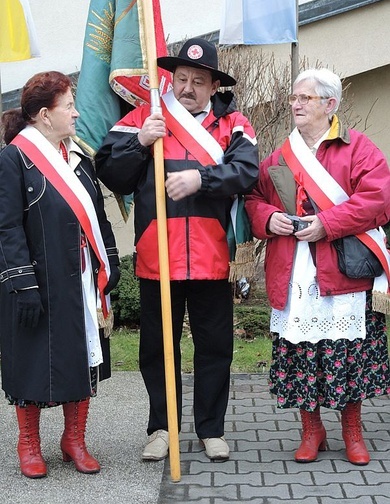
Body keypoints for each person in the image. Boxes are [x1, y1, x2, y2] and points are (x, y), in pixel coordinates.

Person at [95, 37, 259, 461]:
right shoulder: (144, 117)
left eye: (198, 81)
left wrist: (201, 180)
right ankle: (161, 428)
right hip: (158, 257)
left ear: (213, 86)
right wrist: (139, 143)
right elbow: (110, 173)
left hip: (211, 257)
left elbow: (246, 172)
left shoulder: (234, 123)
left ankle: (210, 429)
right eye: (181, 78)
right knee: (157, 349)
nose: (187, 87)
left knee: (215, 347)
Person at [245, 68, 390, 465]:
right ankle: (312, 431)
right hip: (294, 273)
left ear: (330, 105)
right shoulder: (280, 156)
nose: (295, 104)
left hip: (343, 271)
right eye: (294, 97)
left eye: (305, 98)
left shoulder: (359, 149)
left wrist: (327, 224)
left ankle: (353, 433)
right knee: (299, 355)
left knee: (347, 355)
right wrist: (267, 218)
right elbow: (254, 200)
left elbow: (379, 201)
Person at [0, 71, 120, 478]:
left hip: (80, 277)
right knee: (31, 359)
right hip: (34, 280)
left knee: (82, 354)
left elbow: (99, 219)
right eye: (69, 105)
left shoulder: (80, 160)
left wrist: (111, 262)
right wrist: (21, 282)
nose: (76, 112)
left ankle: (74, 440)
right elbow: (7, 226)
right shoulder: (14, 158)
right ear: (44, 115)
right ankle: (29, 444)